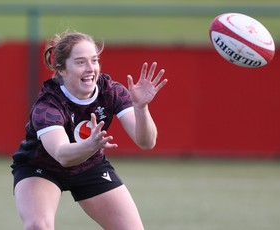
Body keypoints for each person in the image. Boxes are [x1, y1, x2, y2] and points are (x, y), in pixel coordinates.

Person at [11, 31, 168, 230]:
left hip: (89, 167)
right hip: (41, 168)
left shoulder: (111, 91)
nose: (91, 68)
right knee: (38, 225)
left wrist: (141, 108)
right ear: (62, 69)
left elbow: (146, 142)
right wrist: (89, 146)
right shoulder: (48, 105)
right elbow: (62, 155)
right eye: (80, 62)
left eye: (94, 60)